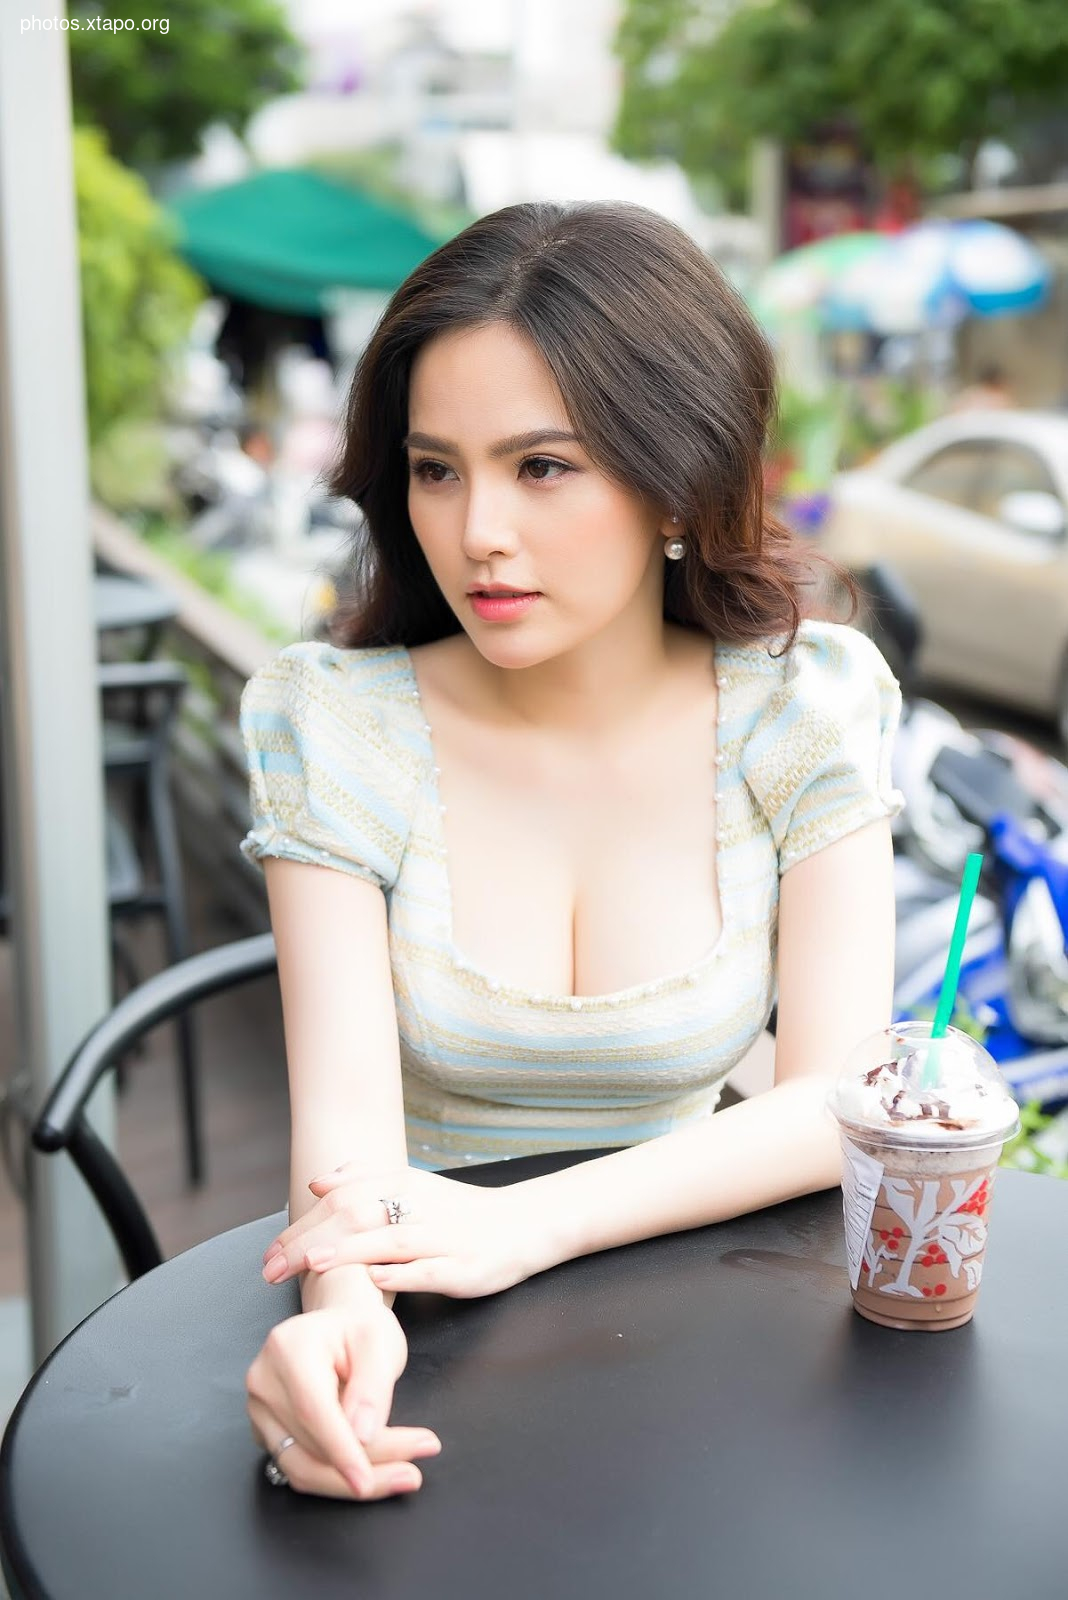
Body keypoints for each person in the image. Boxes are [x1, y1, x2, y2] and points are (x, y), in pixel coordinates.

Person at [238, 201, 904, 1502]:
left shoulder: (803, 708)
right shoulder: (338, 726)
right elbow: (349, 1153)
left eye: (542, 467)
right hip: (435, 1335)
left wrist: (521, 1224)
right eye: (436, 470)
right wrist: (339, 1319)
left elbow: (837, 1099)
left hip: (711, 1330)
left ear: (679, 479)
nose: (477, 530)